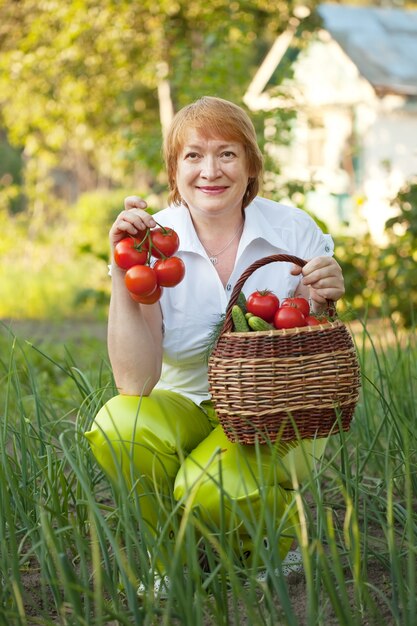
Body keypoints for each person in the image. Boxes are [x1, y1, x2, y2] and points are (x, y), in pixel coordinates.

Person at [85, 96, 345, 595]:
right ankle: (172, 560)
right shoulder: (152, 246)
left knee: (204, 488)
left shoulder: (293, 231)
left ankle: (277, 541)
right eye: (193, 155)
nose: (211, 170)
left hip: (272, 416)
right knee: (119, 424)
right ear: (174, 169)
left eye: (227, 154)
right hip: (185, 406)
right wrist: (123, 273)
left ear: (251, 167)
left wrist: (322, 294)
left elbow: (314, 353)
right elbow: (134, 383)